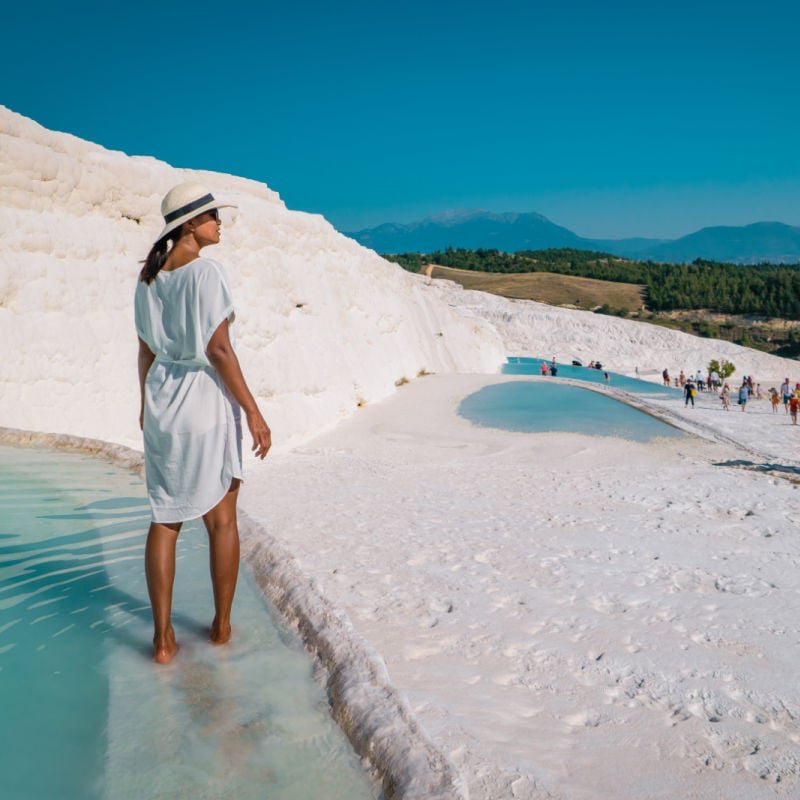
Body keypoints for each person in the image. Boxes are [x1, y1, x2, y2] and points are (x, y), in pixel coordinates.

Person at [135, 182, 272, 664]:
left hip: (162, 399)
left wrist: (143, 405)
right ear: (190, 225)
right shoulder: (207, 273)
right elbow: (217, 350)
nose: (220, 223)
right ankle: (221, 628)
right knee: (222, 518)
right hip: (203, 400)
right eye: (212, 216)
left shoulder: (148, 280)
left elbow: (146, 350)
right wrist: (254, 412)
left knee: (165, 517)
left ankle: (163, 638)